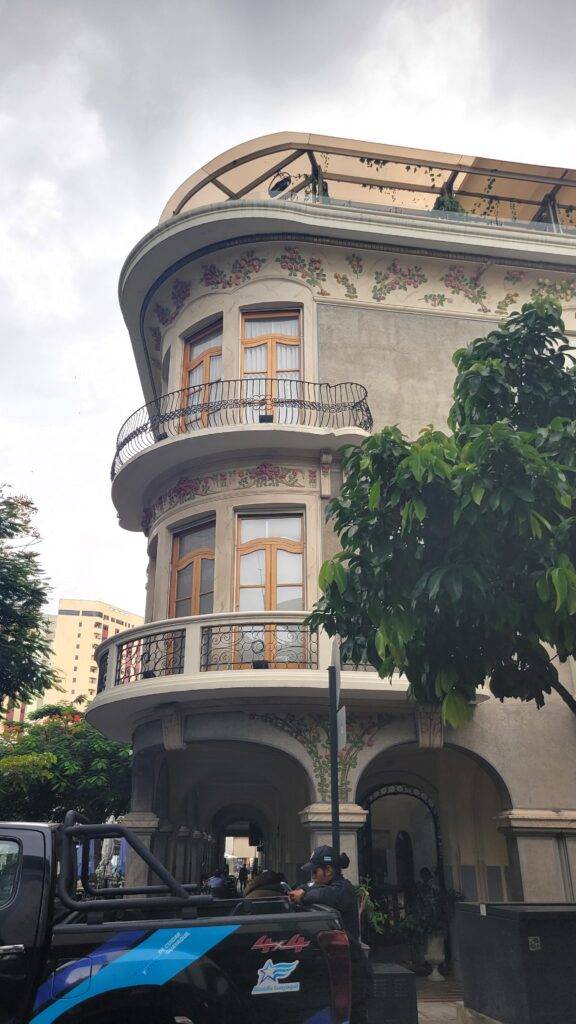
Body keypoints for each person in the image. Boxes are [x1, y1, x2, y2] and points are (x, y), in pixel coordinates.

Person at [290, 846, 372, 1024]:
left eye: (315, 871)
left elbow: (325, 895)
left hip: (351, 968)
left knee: (352, 1016)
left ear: (328, 870)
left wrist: (303, 896)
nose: (312, 876)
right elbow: (307, 887)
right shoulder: (320, 886)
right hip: (334, 968)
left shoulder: (343, 889)